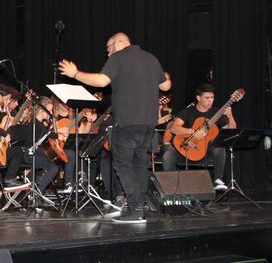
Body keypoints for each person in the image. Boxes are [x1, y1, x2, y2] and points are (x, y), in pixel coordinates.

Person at [59, 32, 171, 223]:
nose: (108, 54)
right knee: (139, 164)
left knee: (123, 164)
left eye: (108, 49)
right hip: (148, 123)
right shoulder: (151, 58)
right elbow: (166, 86)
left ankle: (135, 208)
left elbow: (102, 81)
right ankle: (137, 208)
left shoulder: (119, 57)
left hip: (127, 122)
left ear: (117, 43)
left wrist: (75, 74)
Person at [162, 83, 236, 191]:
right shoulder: (188, 112)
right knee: (168, 155)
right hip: (186, 149)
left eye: (212, 97)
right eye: (207, 98)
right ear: (198, 98)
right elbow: (174, 128)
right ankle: (172, 187)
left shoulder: (217, 113)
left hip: (206, 152)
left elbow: (231, 131)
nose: (210, 100)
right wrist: (192, 131)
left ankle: (218, 180)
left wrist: (230, 116)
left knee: (220, 146)